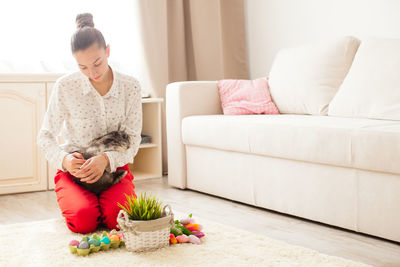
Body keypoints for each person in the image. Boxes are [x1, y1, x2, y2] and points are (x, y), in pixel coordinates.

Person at [37, 13, 142, 234]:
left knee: (119, 220)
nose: (92, 73)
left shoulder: (130, 87)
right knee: (84, 221)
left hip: (113, 169)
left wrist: (105, 160)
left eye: (97, 63)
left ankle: (103, 205)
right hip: (75, 172)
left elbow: (133, 141)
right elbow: (45, 136)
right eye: (82, 67)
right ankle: (79, 202)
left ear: (108, 51)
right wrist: (64, 160)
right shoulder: (65, 86)